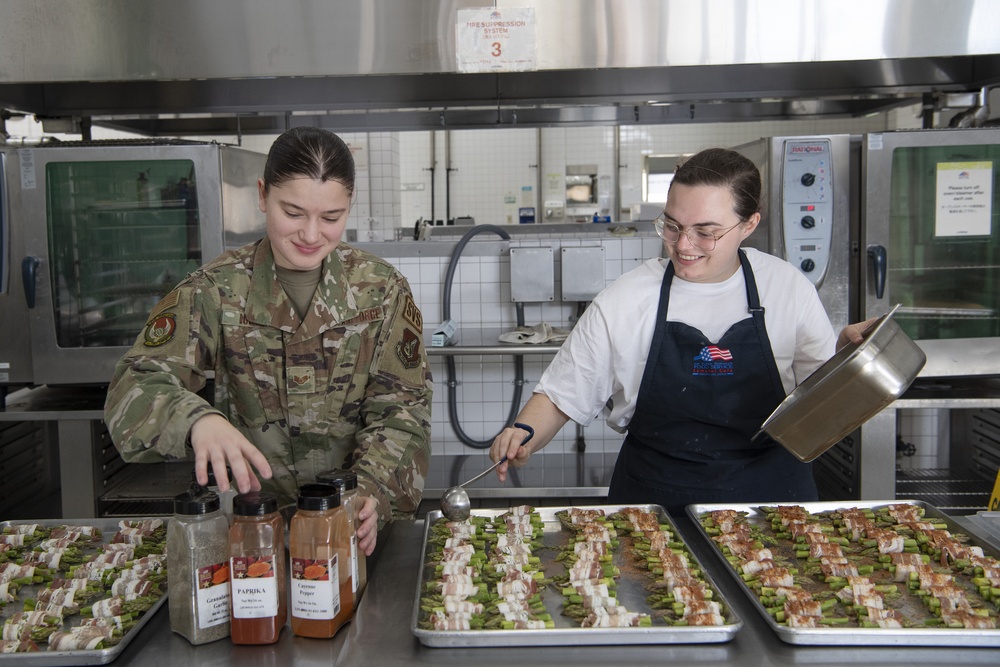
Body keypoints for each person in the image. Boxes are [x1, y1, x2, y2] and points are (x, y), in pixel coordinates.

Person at [490, 147, 874, 515]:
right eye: (672, 226)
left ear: (749, 225)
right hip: (654, 509)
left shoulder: (787, 289)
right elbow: (561, 396)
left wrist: (846, 361)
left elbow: (822, 404)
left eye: (706, 232)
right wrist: (523, 432)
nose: (684, 245)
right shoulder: (626, 298)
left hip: (771, 505)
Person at [104, 127, 433, 555]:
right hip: (247, 539)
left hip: (352, 539)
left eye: (331, 218)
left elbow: (403, 407)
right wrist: (196, 420)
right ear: (263, 196)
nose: (312, 235)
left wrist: (374, 491)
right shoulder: (215, 290)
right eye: (293, 212)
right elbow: (136, 383)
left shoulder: (381, 290)